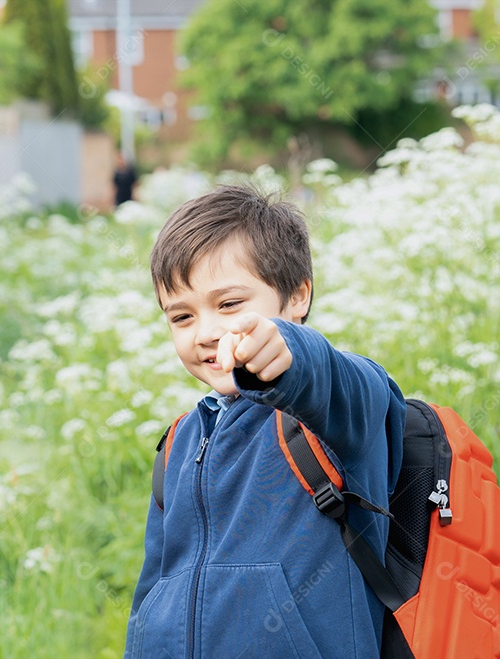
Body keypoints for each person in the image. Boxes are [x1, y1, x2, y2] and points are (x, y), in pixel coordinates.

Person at [124, 185, 406, 658]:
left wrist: (288, 351)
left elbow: (330, 377)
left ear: (297, 296)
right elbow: (152, 591)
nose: (206, 333)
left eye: (229, 304)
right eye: (182, 316)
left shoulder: (337, 410)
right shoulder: (179, 442)